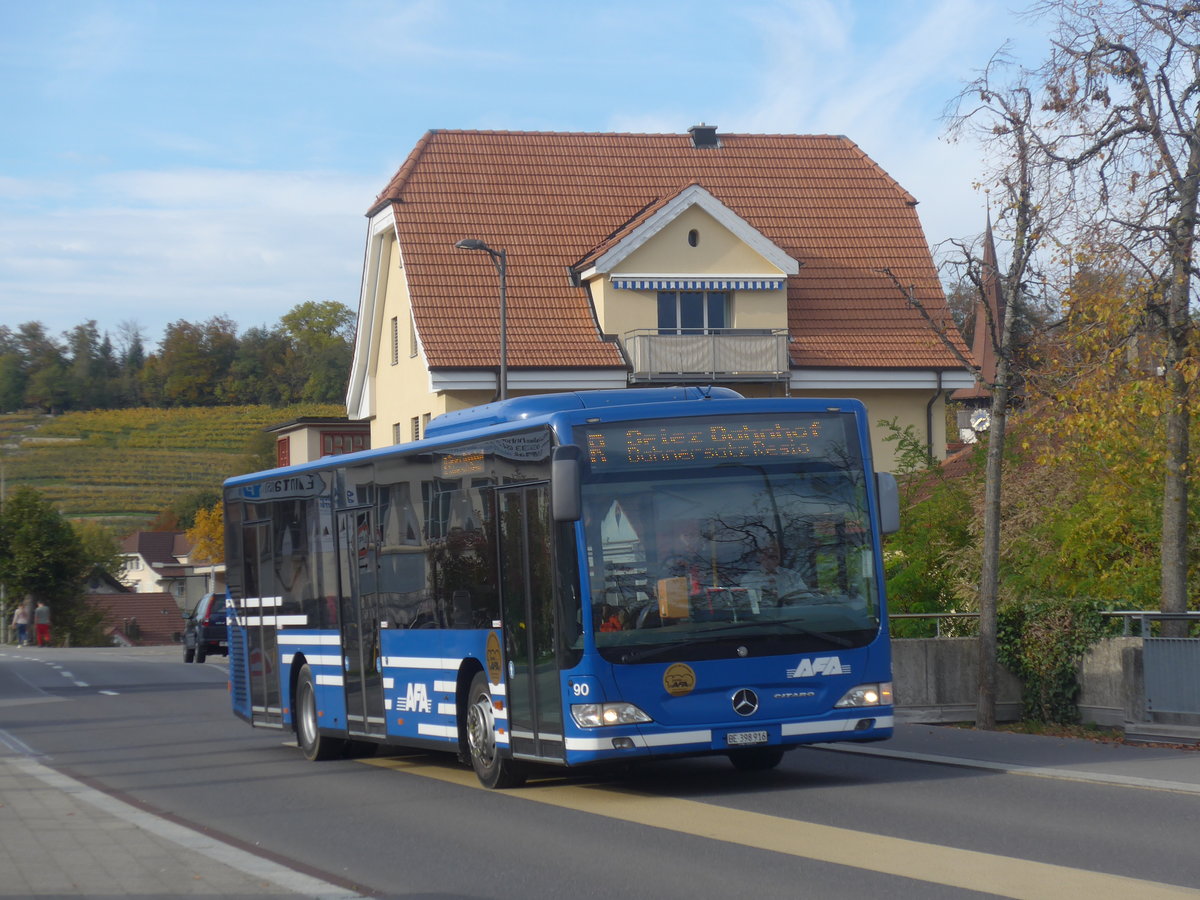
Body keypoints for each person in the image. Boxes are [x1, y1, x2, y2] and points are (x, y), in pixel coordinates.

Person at [739, 546, 810, 604]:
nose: (769, 561)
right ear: (760, 558)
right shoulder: (749, 578)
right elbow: (743, 601)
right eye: (765, 557)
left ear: (778, 558)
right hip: (760, 613)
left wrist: (782, 593)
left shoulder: (792, 575)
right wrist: (763, 593)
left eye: (773, 557)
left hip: (790, 611)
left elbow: (805, 596)